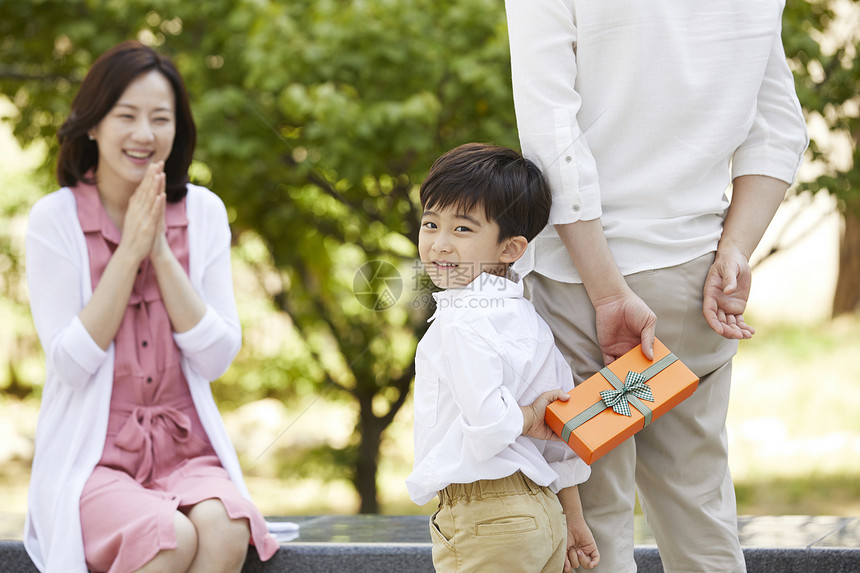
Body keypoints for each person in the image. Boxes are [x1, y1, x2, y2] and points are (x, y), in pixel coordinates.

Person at [504, 2, 809, 572]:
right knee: (700, 512)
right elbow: (780, 127)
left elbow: (551, 139)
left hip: (583, 285)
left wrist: (607, 293)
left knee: (593, 527)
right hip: (696, 281)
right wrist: (735, 250)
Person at [23, 40, 280, 572]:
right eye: (127, 116)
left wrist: (159, 250)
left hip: (187, 452)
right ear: (93, 124)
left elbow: (216, 357)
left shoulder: (204, 212)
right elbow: (70, 363)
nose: (145, 134)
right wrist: (129, 250)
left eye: (160, 119)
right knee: (166, 537)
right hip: (94, 460)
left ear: (177, 130)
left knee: (227, 528)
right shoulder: (55, 220)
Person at [406, 143, 600, 572]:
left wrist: (529, 416)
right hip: (543, 515)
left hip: (484, 516)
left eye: (462, 230)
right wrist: (572, 518)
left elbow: (490, 426)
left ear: (510, 249)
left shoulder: (460, 320)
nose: (439, 244)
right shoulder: (527, 316)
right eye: (431, 223)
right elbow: (566, 429)